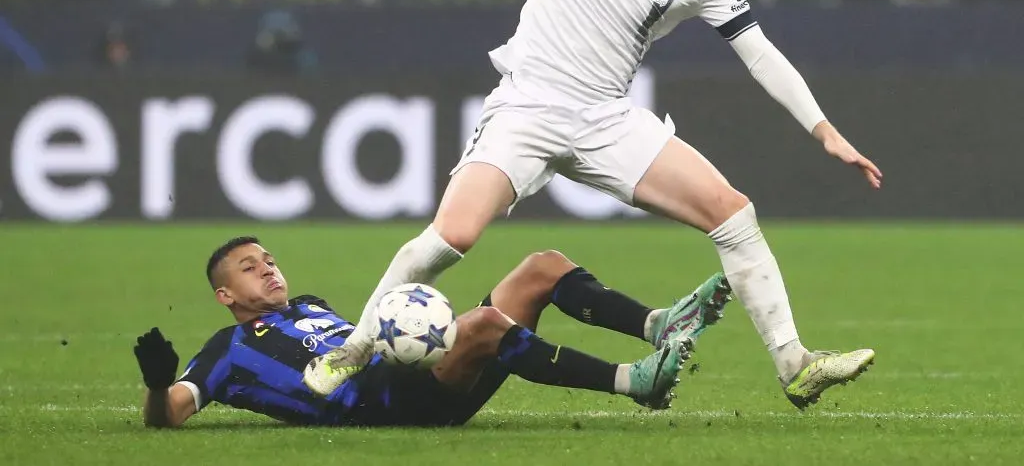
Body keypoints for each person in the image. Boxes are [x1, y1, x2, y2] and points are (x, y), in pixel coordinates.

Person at [306, 0, 881, 410]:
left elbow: (758, 51)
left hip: (605, 118)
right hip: (526, 109)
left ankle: (796, 366)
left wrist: (823, 128)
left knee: (734, 214)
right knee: (451, 237)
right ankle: (352, 350)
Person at [133, 236, 733, 428]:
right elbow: (170, 414)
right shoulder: (227, 350)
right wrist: (160, 387)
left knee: (541, 267)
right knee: (482, 328)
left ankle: (658, 324)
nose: (267, 268)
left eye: (267, 259)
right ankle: (637, 383)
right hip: (380, 404)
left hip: (410, 377)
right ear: (225, 296)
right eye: (249, 267)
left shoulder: (310, 306)